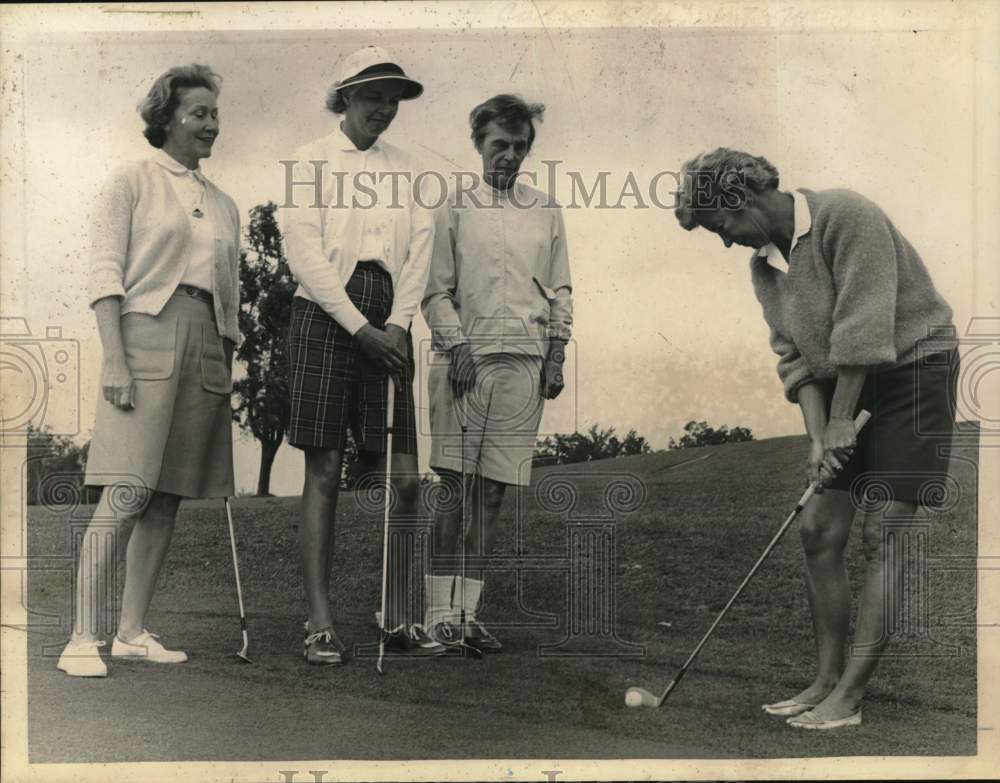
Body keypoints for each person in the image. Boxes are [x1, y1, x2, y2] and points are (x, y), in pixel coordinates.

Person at [674, 148, 959, 729]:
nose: (725, 241)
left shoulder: (845, 215)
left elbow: (864, 328)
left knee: (884, 531)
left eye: (720, 226)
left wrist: (838, 425)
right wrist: (815, 440)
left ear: (741, 198)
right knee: (818, 528)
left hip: (914, 370)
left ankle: (849, 698)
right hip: (845, 384)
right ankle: (824, 681)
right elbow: (798, 361)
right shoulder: (764, 267)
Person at [59, 64, 241, 677]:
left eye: (215, 114)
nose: (211, 124)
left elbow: (228, 294)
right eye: (198, 113)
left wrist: (226, 355)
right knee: (127, 489)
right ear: (165, 118)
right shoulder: (131, 181)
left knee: (166, 498)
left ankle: (131, 631)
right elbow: (104, 276)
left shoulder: (224, 203)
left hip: (206, 343)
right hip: (142, 337)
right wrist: (114, 356)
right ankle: (83, 636)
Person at [281, 46, 442, 664]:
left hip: (392, 317)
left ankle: (398, 616)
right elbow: (304, 255)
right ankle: (319, 621)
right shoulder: (308, 161)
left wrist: (398, 324)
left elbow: (420, 253)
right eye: (374, 95)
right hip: (325, 316)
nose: (385, 108)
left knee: (400, 477)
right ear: (345, 96)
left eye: (393, 98)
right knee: (324, 470)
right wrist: (358, 327)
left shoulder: (411, 170)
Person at [422, 94, 573, 653]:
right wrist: (457, 346)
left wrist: (556, 353)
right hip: (465, 361)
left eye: (519, 146)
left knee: (492, 498)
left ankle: (467, 616)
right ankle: (438, 616)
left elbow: (560, 290)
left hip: (525, 363)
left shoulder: (547, 210)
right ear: (478, 145)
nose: (509, 156)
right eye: (498, 145)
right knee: (454, 490)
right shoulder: (453, 209)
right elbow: (435, 290)